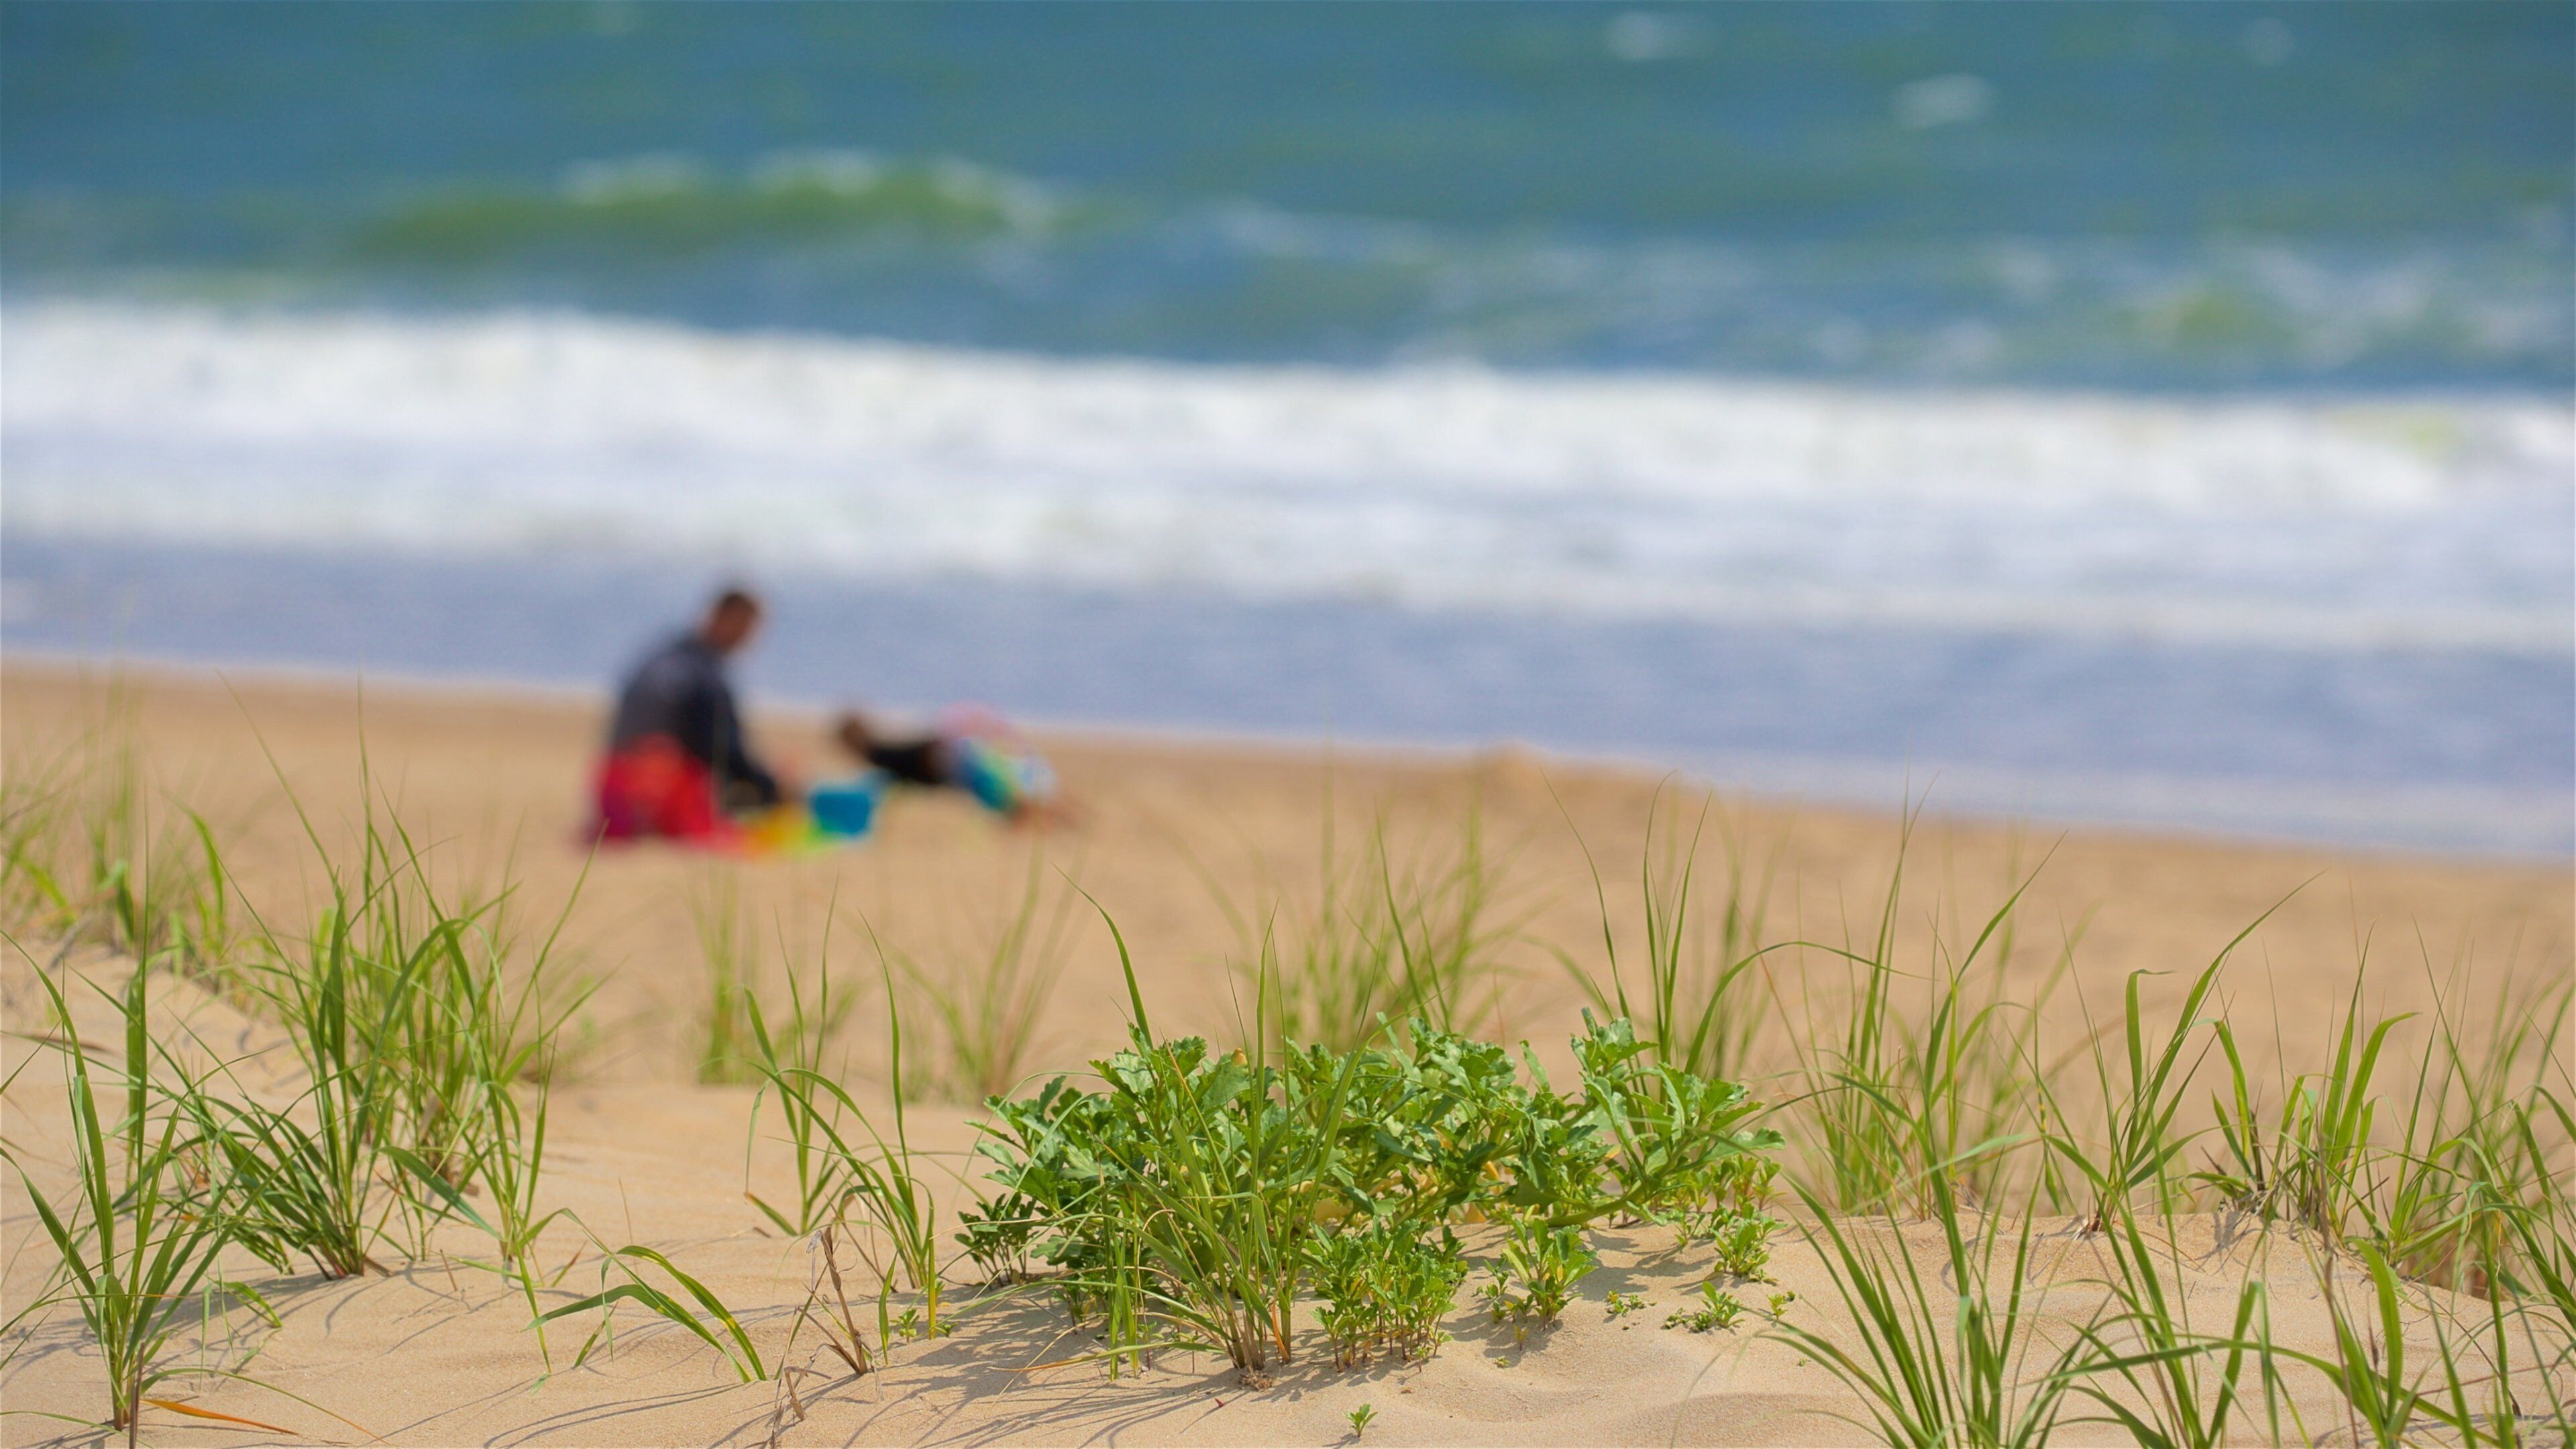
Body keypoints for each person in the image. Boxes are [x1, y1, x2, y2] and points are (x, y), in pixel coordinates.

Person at [591, 588, 785, 843]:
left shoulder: (664, 656)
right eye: (747, 628)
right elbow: (724, 753)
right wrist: (773, 787)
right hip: (662, 792)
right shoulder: (706, 676)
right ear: (726, 618)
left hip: (611, 789)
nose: (748, 639)